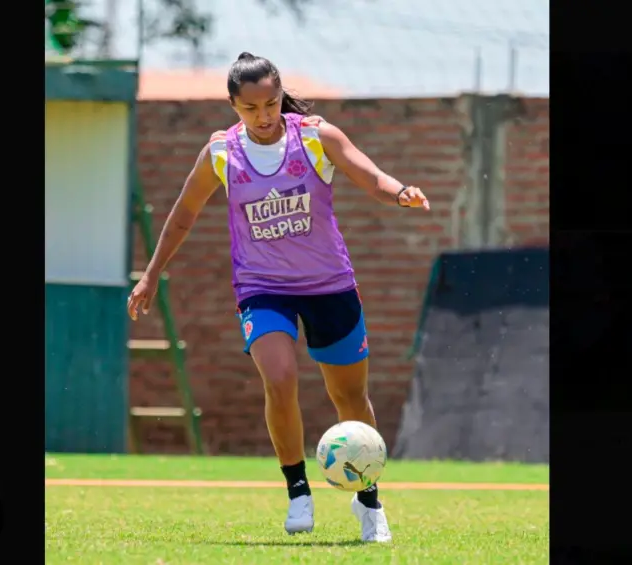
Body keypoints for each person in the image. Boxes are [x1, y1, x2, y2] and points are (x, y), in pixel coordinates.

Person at [127, 52, 430, 543]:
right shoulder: (221, 154)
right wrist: (151, 275)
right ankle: (298, 491)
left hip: (330, 285)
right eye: (251, 109)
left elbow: (368, 175)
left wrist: (400, 193)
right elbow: (183, 214)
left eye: (270, 104)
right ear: (233, 106)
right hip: (262, 288)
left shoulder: (314, 136)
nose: (263, 116)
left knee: (349, 396)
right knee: (280, 376)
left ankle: (369, 501)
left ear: (280, 95)